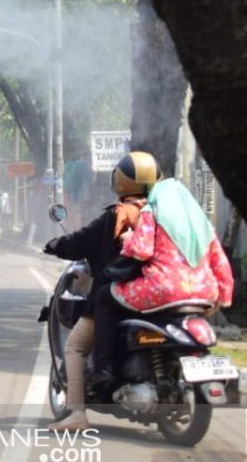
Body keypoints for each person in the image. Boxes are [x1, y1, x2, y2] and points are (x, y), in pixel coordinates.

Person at [89, 153, 236, 393]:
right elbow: (220, 261)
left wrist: (128, 239)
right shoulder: (200, 221)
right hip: (204, 293)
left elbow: (141, 250)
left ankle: (103, 369)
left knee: (105, 296)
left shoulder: (153, 210)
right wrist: (224, 297)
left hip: (164, 289)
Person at [41, 151, 154, 431]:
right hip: (156, 295)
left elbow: (80, 241)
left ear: (120, 181)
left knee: (75, 346)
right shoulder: (158, 215)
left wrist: (55, 245)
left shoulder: (115, 216)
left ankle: (77, 413)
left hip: (119, 295)